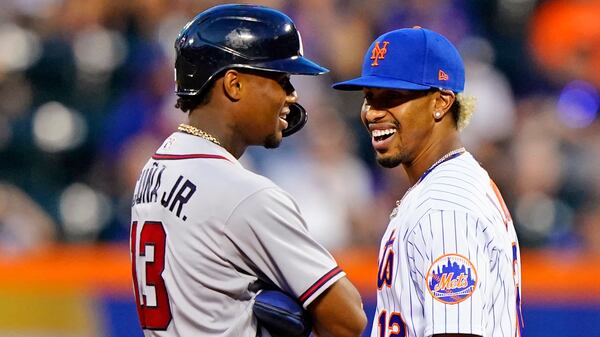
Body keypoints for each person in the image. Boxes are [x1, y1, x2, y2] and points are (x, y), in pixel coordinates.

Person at [129, 4, 366, 337]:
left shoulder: (154, 168)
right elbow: (349, 320)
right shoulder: (244, 193)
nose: (292, 94)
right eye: (280, 79)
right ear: (234, 84)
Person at [333, 27, 523, 337]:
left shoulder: (445, 205)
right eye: (369, 97)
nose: (372, 113)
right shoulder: (445, 185)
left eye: (392, 97)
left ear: (441, 102)